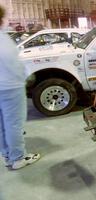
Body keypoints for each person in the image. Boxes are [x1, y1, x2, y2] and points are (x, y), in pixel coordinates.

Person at [0, 5, 40, 170]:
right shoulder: (3, 39)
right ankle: (18, 158)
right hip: (11, 88)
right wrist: (27, 76)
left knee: (2, 125)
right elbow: (13, 64)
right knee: (14, 124)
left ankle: (8, 156)